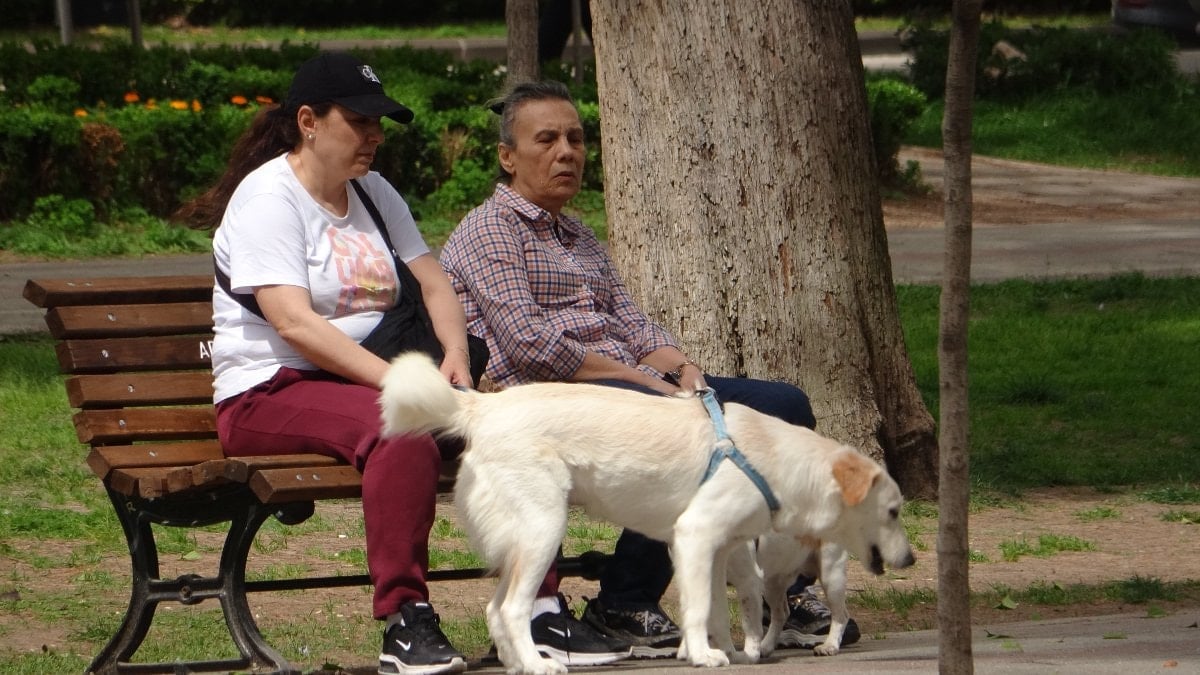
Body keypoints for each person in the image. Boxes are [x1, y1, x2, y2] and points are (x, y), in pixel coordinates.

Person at [438, 79, 860, 659]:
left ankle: (780, 592)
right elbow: (530, 343)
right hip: (554, 398)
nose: (567, 151)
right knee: (676, 433)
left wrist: (683, 370)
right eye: (547, 140)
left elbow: (633, 323)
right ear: (508, 157)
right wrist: (647, 384)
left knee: (784, 406)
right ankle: (626, 598)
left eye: (576, 138)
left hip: (626, 385)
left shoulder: (577, 234)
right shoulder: (491, 231)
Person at [174, 51, 473, 675]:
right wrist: (403, 383)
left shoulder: (372, 191)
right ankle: (404, 622)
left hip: (358, 381)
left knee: (510, 429)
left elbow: (435, 284)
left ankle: (539, 607)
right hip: (269, 391)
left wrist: (454, 361)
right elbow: (293, 323)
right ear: (308, 121)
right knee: (404, 429)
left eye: (380, 122)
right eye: (360, 120)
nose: (375, 135)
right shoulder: (269, 199)